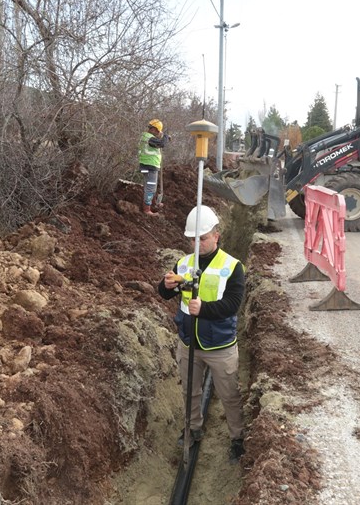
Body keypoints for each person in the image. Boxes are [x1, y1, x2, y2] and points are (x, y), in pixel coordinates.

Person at [158, 205, 247, 464]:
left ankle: (237, 437)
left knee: (229, 394)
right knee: (190, 391)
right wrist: (165, 286)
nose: (197, 244)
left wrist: (204, 309)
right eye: (192, 239)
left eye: (203, 238)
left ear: (216, 236)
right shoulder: (184, 263)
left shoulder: (232, 267)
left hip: (220, 345)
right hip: (188, 343)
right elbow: (166, 294)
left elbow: (233, 304)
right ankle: (192, 428)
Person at [138, 119, 169, 216]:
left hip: (145, 165)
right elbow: (162, 144)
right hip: (150, 166)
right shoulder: (150, 139)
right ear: (155, 129)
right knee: (150, 188)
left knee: (151, 186)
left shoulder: (145, 136)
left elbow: (158, 143)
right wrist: (166, 137)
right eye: (158, 131)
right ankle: (147, 209)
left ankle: (154, 203)